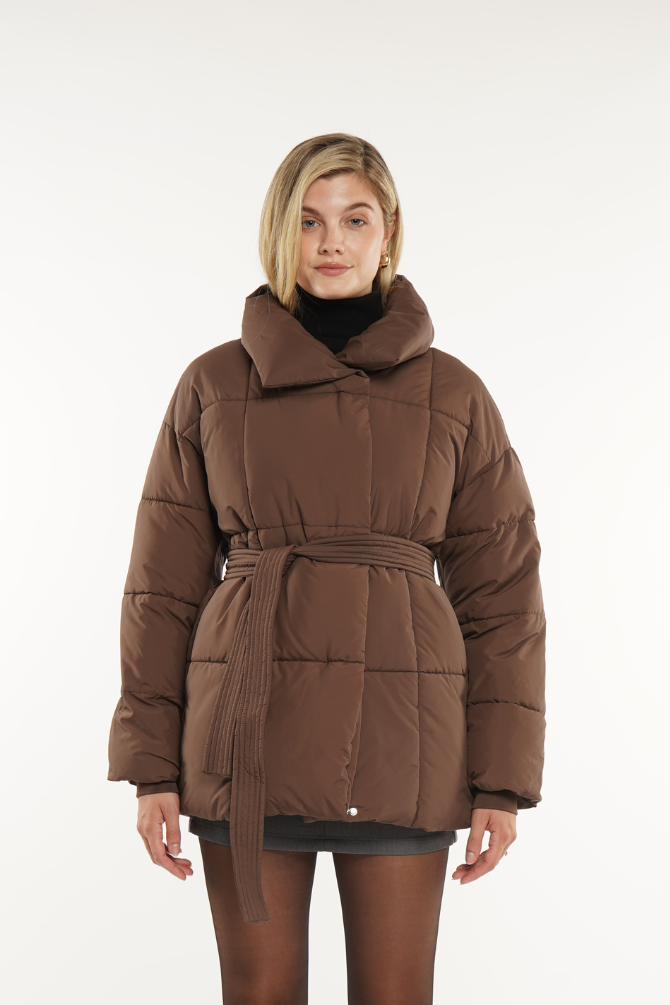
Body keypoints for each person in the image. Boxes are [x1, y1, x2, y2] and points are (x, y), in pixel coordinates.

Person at [108, 133, 546, 1003]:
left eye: (355, 219)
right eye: (307, 221)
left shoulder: (454, 393)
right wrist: (152, 767)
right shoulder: (214, 384)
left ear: (390, 233)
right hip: (246, 740)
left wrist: (502, 781)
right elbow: (161, 589)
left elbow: (503, 597)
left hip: (404, 744)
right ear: (278, 232)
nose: (331, 242)